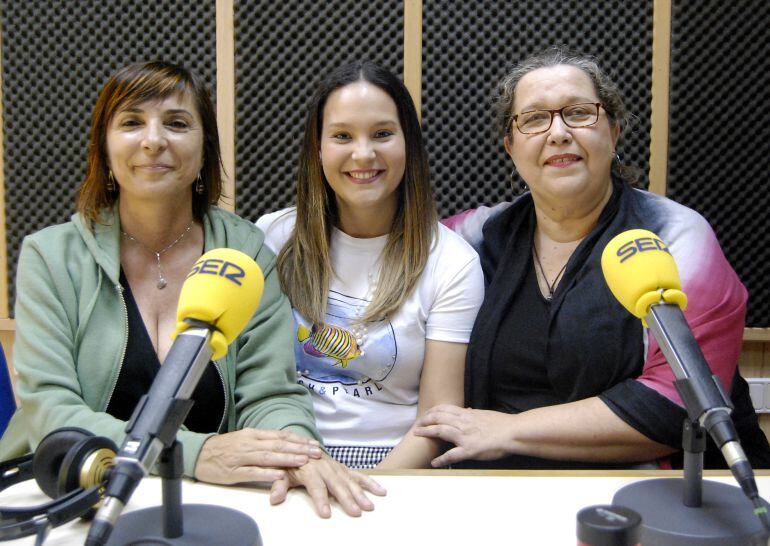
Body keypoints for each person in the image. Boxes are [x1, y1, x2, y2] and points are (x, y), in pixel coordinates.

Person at [0, 61, 384, 517]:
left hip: (213, 504)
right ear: (103, 149)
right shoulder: (51, 257)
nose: (154, 140)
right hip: (74, 493)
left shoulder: (245, 252)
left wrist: (298, 453)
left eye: (177, 123)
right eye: (132, 122)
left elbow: (271, 395)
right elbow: (50, 410)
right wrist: (194, 454)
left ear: (204, 151)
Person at [415, 47, 770, 470]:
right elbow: (387, 257)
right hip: (505, 488)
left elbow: (677, 402)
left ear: (614, 131)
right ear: (510, 147)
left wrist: (506, 429)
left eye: (579, 113)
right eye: (533, 119)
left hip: (664, 492)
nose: (558, 132)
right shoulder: (472, 237)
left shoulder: (675, 235)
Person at [257, 61, 484, 469]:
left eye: (382, 134)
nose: (363, 153)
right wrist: (306, 467)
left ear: (408, 144)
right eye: (342, 135)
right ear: (319, 147)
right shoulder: (273, 238)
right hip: (289, 452)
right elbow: (254, 385)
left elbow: (436, 422)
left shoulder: (453, 262)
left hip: (398, 465)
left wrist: (372, 489)